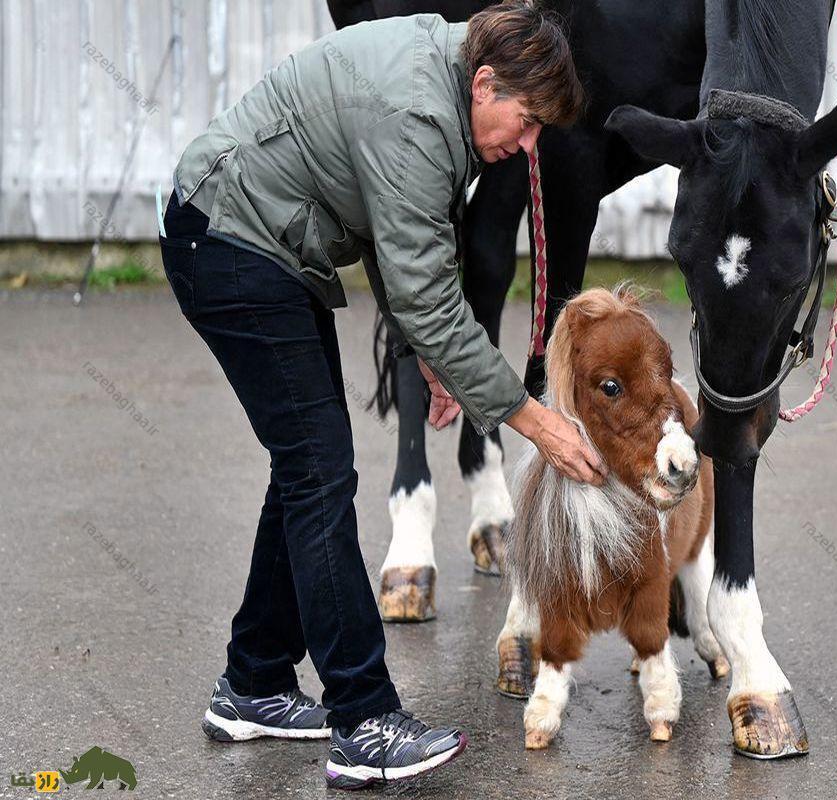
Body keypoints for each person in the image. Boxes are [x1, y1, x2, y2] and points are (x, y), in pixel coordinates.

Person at [158, 3, 600, 790]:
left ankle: (254, 682)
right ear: (487, 81)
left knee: (305, 468)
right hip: (228, 242)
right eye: (527, 123)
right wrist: (534, 421)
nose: (527, 145)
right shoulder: (417, 110)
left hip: (255, 244)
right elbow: (425, 286)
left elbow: (403, 238)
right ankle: (363, 720)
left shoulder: (445, 83)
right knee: (317, 471)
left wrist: (431, 356)